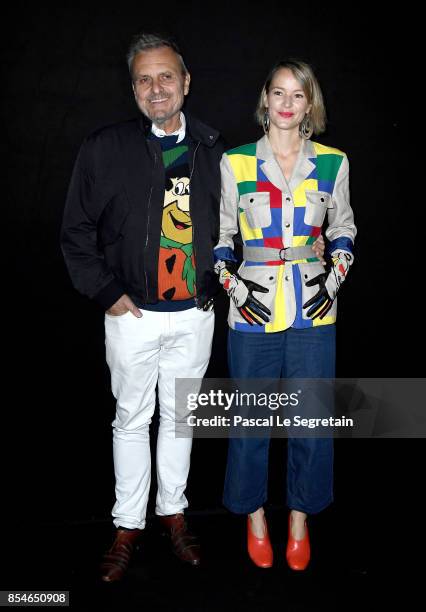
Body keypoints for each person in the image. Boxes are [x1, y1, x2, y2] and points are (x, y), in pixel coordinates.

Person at [60, 32, 226, 580]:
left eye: (166, 77)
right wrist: (107, 293)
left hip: (195, 314)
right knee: (131, 419)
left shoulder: (214, 149)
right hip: (131, 314)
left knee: (180, 419)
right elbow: (76, 231)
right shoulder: (104, 147)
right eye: (145, 79)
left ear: (185, 82)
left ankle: (173, 515)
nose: (157, 88)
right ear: (134, 89)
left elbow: (239, 229)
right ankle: (127, 525)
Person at [214, 59, 356, 570]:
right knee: (250, 423)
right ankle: (254, 518)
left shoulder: (334, 163)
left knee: (312, 424)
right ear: (265, 99)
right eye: (279, 93)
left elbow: (343, 228)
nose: (288, 104)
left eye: (298, 95)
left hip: (315, 309)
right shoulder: (236, 162)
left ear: (309, 103)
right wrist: (232, 287)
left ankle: (299, 519)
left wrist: (335, 276)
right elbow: (223, 239)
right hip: (252, 311)